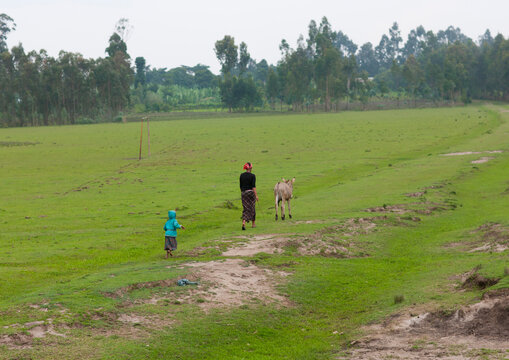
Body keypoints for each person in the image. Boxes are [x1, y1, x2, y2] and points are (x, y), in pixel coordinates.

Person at [239, 162, 258, 230]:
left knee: (245, 208)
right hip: (251, 193)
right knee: (252, 208)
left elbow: (240, 186)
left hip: (244, 193)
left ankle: (244, 222)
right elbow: (253, 187)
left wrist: (243, 193)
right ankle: (253, 224)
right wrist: (256, 196)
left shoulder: (241, 175)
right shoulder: (253, 176)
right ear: (250, 168)